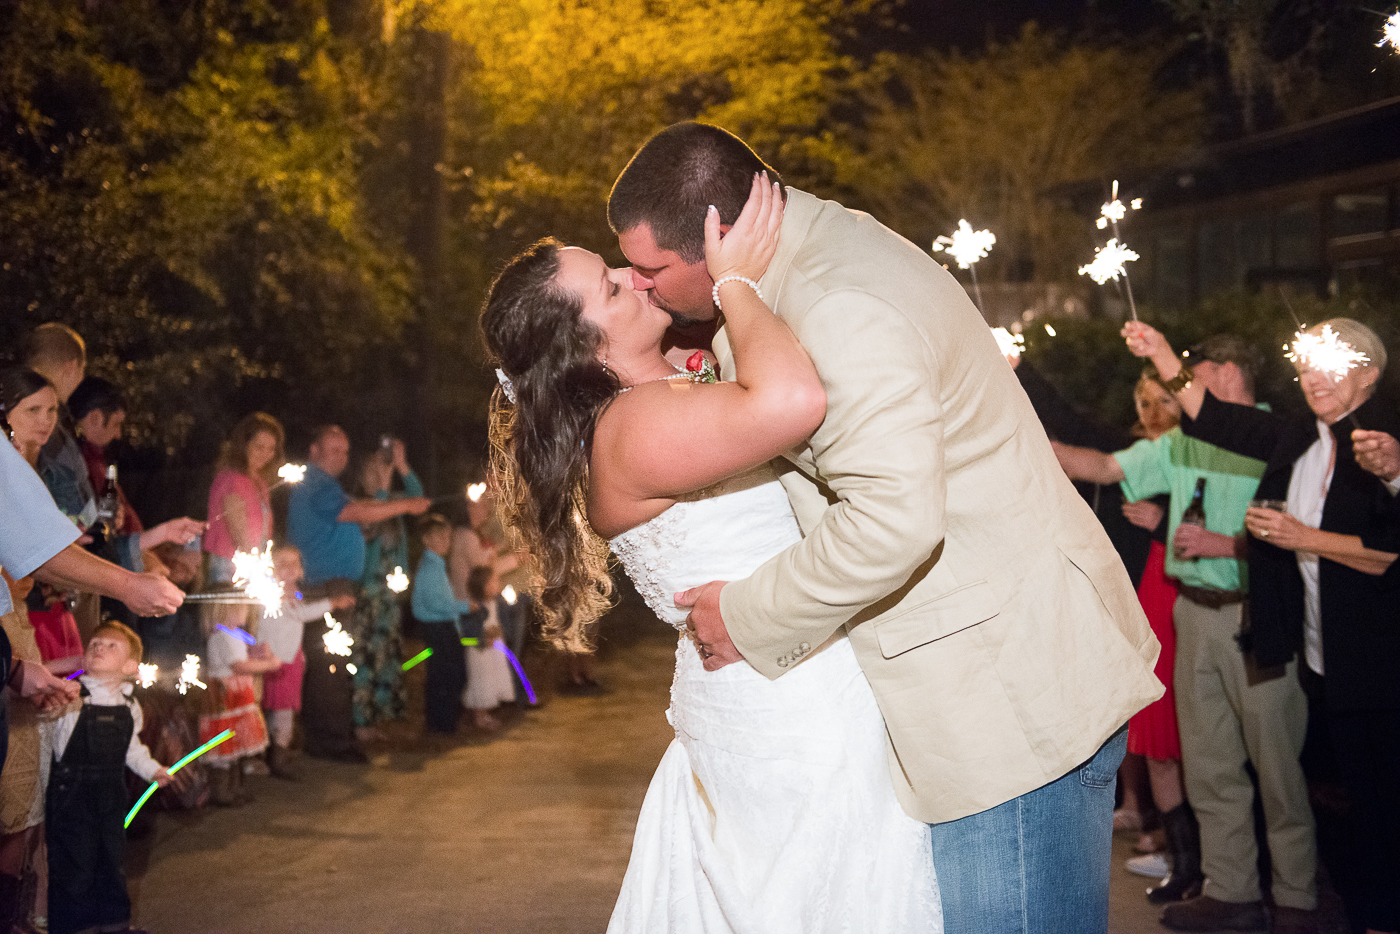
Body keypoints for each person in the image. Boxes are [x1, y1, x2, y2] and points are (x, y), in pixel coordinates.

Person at [603, 123, 1161, 932]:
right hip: (967, 683)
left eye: (652, 270)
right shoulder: (810, 255)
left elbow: (892, 523)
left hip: (1006, 697)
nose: (645, 287)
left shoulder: (837, 304)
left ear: (717, 236)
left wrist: (746, 614)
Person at [484, 175, 943, 930]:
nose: (636, 277)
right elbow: (794, 403)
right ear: (588, 346)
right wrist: (735, 280)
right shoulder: (634, 427)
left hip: (779, 679)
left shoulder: (668, 396)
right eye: (610, 286)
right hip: (794, 713)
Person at [1127, 318, 1399, 934]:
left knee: (1342, 791)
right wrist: (1164, 352)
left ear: (1370, 375)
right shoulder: (1297, 436)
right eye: (1306, 367)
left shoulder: (1382, 442)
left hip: (1375, 658)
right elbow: (1214, 415)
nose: (1312, 378)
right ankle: (1244, 894)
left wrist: (1312, 531)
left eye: (1329, 366)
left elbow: (1388, 547)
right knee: (1351, 796)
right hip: (1310, 646)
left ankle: (1316, 905)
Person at [1052, 337, 1315, 924]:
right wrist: (1017, 428)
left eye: (1187, 379)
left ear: (1225, 374)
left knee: (1277, 770)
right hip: (1191, 614)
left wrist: (1228, 545)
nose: (1175, 395)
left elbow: (1310, 529)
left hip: (1254, 616)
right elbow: (1101, 466)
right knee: (1210, 764)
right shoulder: (1180, 441)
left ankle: (1298, 899)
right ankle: (1231, 890)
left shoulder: (1285, 439)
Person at [287, 425, 429, 761]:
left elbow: (352, 520)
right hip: (324, 585)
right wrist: (406, 505)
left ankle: (328, 736)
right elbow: (356, 512)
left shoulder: (326, 486)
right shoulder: (317, 483)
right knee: (331, 663)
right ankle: (332, 741)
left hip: (332, 584)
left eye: (345, 451)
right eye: (333, 450)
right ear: (314, 451)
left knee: (330, 663)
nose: (341, 457)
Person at [46, 621, 178, 934]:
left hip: (110, 796)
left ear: (131, 666)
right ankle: (76, 926)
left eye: (110, 646)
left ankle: (114, 923)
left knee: (111, 860)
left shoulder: (130, 706)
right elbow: (53, 744)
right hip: (71, 798)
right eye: (94, 644)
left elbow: (132, 749)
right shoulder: (73, 697)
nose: (99, 649)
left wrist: (153, 770)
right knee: (74, 864)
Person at [260, 544, 351, 780]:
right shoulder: (271, 596)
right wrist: (331, 603)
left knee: (281, 711)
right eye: (283, 564)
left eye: (294, 563)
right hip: (275, 663)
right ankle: (275, 757)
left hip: (289, 661)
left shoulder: (293, 595)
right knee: (281, 712)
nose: (290, 569)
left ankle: (275, 754)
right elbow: (299, 616)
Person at [350, 438, 421, 739]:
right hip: (368, 590)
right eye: (374, 469)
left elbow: (418, 500)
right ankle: (361, 720)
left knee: (386, 655)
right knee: (366, 656)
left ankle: (378, 718)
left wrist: (402, 465)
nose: (380, 472)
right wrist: (382, 486)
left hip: (391, 593)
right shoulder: (361, 504)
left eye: (383, 466)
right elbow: (375, 520)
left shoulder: (392, 499)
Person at [411, 515, 480, 737]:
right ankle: (442, 723)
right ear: (426, 539)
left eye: (446, 536)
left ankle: (443, 722)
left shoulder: (435, 564)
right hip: (438, 627)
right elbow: (435, 602)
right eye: (438, 536)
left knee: (444, 674)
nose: (445, 540)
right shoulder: (430, 567)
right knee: (448, 674)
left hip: (441, 626)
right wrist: (462, 606)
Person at [201, 609, 277, 806]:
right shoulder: (222, 636)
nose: (245, 610)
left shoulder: (234, 635)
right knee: (225, 746)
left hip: (237, 696)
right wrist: (268, 664)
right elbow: (239, 666)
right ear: (225, 608)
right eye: (240, 606)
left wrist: (259, 656)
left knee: (234, 747)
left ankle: (233, 790)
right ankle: (222, 793)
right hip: (226, 697)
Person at [205, 412, 284, 584]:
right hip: (231, 567)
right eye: (259, 447)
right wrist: (257, 571)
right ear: (243, 445)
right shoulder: (232, 479)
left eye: (271, 449)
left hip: (253, 565)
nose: (266, 454)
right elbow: (238, 531)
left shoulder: (260, 483)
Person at [461, 565, 518, 732]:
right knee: (481, 681)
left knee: (492, 680)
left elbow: (503, 622)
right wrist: (482, 639)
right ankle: (479, 717)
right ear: (482, 585)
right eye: (492, 581)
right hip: (481, 652)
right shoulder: (475, 607)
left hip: (495, 651)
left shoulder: (497, 602)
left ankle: (486, 714)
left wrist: (500, 631)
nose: (497, 583)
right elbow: (467, 631)